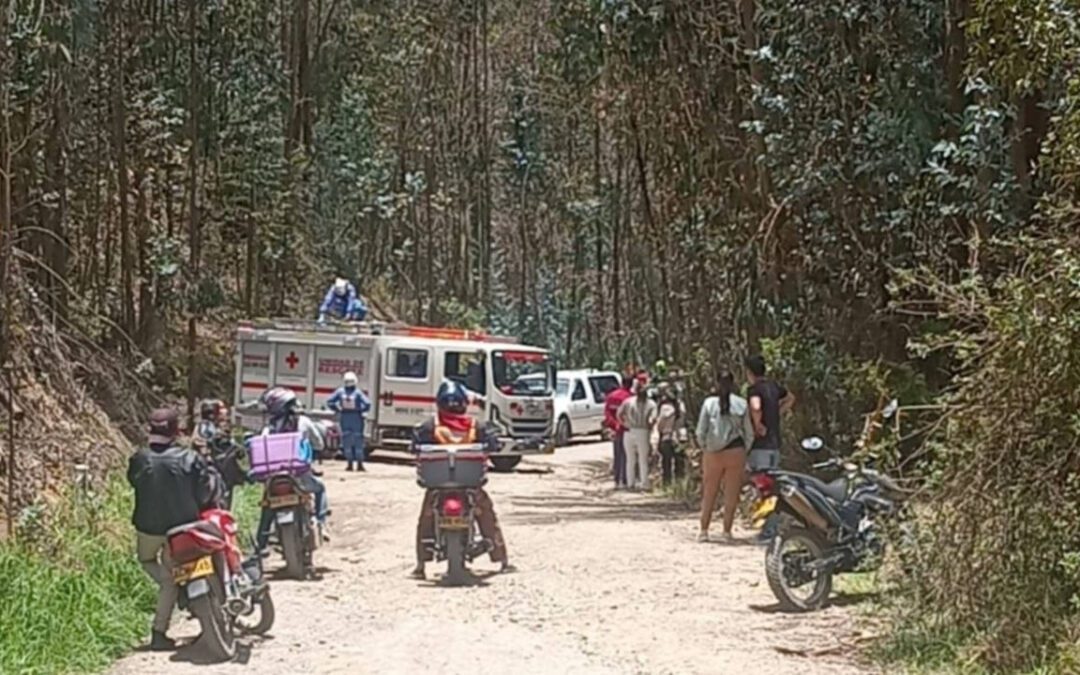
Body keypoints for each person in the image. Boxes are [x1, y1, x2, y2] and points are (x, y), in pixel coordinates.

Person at [127, 408, 215, 651]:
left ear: (150, 430)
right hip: (183, 531)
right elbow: (204, 493)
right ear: (176, 430)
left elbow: (133, 482)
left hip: (148, 529)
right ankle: (175, 601)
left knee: (148, 562)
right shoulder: (190, 458)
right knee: (177, 573)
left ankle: (172, 591)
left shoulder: (139, 458)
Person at [411, 380, 512, 579]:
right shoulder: (477, 426)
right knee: (487, 516)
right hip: (471, 486)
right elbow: (494, 444)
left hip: (437, 487)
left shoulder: (429, 426)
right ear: (464, 403)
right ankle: (501, 559)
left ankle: (421, 564)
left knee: (426, 519)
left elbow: (414, 446)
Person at [253, 388, 331, 555]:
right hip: (299, 474)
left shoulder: (269, 428)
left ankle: (260, 545)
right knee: (320, 488)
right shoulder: (303, 422)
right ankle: (322, 522)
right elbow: (319, 444)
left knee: (267, 508)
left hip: (274, 475)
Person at [695, 371, 755, 542]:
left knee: (709, 492)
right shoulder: (742, 404)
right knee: (732, 492)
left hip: (713, 453)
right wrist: (745, 450)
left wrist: (704, 447)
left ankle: (704, 530)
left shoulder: (709, 403)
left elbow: (701, 430)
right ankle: (726, 531)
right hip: (736, 451)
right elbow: (748, 432)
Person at [744, 354, 796, 541]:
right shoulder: (774, 387)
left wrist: (758, 424)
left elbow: (755, 406)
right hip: (775, 444)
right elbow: (790, 398)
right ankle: (772, 526)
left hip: (760, 445)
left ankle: (766, 529)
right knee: (774, 487)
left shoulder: (754, 389)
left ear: (749, 372)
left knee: (763, 487)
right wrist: (777, 414)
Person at [326, 372, 372, 472]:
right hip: (356, 418)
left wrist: (337, 409)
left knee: (346, 441)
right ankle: (360, 464)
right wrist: (361, 410)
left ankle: (349, 464)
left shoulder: (340, 391)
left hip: (345, 417)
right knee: (358, 441)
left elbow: (329, 401)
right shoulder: (358, 392)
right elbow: (368, 404)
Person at [618, 378, 658, 491]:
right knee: (643, 459)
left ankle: (631, 483)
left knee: (630, 459)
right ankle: (644, 483)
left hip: (629, 431)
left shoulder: (628, 401)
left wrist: (624, 424)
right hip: (643, 431)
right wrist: (650, 426)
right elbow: (653, 419)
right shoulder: (651, 404)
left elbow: (619, 414)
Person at [603, 375, 634, 488]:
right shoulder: (630, 398)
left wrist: (614, 425)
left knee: (617, 455)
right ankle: (625, 480)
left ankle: (617, 480)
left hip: (615, 430)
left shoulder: (611, 396)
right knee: (627, 455)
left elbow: (607, 413)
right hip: (627, 429)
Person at [656, 383, 686, 485]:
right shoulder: (682, 407)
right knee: (679, 462)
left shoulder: (665, 408)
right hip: (680, 437)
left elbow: (660, 425)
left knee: (666, 463)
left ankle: (667, 483)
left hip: (667, 436)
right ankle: (680, 483)